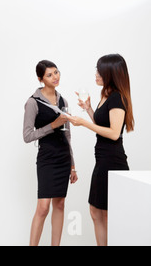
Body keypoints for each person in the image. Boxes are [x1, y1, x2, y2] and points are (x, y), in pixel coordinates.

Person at [68, 54, 134, 246]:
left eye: (99, 71)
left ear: (110, 73)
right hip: (102, 159)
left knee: (108, 213)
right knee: (96, 211)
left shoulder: (117, 98)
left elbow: (114, 133)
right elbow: (103, 125)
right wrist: (89, 110)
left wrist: (83, 123)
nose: (96, 74)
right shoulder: (105, 95)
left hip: (113, 161)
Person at [23, 60, 78, 246]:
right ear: (40, 79)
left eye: (56, 72)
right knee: (43, 207)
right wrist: (52, 125)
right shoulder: (32, 102)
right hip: (47, 157)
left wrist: (72, 165)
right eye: (49, 75)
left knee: (60, 204)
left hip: (63, 157)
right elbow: (28, 135)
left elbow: (67, 135)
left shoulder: (64, 101)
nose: (55, 77)